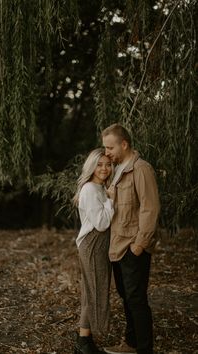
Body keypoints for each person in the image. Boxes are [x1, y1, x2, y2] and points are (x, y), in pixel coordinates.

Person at [101, 123, 160, 354]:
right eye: (105, 147)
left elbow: (150, 208)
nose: (107, 152)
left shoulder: (141, 169)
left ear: (124, 144)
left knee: (136, 300)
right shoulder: (117, 170)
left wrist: (140, 244)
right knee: (126, 297)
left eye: (110, 147)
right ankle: (131, 343)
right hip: (118, 245)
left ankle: (144, 349)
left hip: (132, 246)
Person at [73, 148, 115, 354]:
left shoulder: (101, 187)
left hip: (98, 244)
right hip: (92, 243)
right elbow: (101, 223)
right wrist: (111, 200)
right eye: (99, 165)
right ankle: (83, 342)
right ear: (91, 166)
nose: (104, 168)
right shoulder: (90, 189)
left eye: (108, 164)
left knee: (91, 291)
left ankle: (83, 340)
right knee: (95, 289)